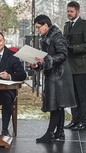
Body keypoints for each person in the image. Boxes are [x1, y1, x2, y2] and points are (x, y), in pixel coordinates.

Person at [31, 15, 76, 143]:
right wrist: (38, 64)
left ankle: (50, 133)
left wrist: (46, 60)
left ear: (46, 25)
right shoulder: (47, 38)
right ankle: (59, 132)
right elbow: (46, 58)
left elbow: (63, 54)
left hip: (59, 76)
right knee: (58, 105)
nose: (38, 30)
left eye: (39, 27)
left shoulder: (57, 37)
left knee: (56, 104)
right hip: (55, 75)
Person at [63, 1, 86, 131]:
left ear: (78, 11)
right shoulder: (67, 26)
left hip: (81, 67)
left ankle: (84, 121)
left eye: (71, 11)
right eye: (68, 11)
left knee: (83, 96)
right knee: (73, 96)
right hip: (69, 67)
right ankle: (75, 120)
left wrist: (74, 48)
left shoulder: (84, 25)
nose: (69, 14)